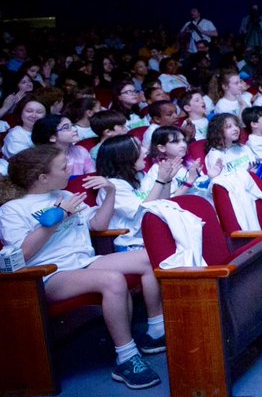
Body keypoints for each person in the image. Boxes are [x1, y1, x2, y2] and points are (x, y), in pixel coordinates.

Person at [0, 146, 166, 389]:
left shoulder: (66, 194)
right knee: (112, 280)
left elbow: (98, 225)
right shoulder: (12, 209)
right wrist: (57, 217)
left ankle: (156, 330)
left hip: (84, 262)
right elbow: (22, 254)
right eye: (63, 167)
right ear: (43, 177)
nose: (70, 170)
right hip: (49, 273)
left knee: (148, 257)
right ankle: (127, 357)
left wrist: (110, 192)